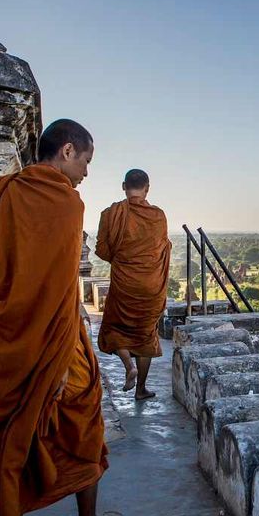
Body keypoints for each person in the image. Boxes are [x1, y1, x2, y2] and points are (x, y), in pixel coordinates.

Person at [0, 119, 128, 516]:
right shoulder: (63, 201)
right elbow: (57, 287)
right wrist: (51, 355)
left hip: (1, 343)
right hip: (55, 343)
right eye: (87, 162)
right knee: (84, 420)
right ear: (68, 150)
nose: (87, 174)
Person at [96, 169, 171, 400]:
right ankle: (141, 390)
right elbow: (163, 249)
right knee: (145, 335)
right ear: (147, 188)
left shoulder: (110, 214)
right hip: (151, 287)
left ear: (123, 186)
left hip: (124, 283)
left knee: (115, 327)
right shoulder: (158, 216)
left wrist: (123, 261)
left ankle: (129, 365)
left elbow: (102, 249)